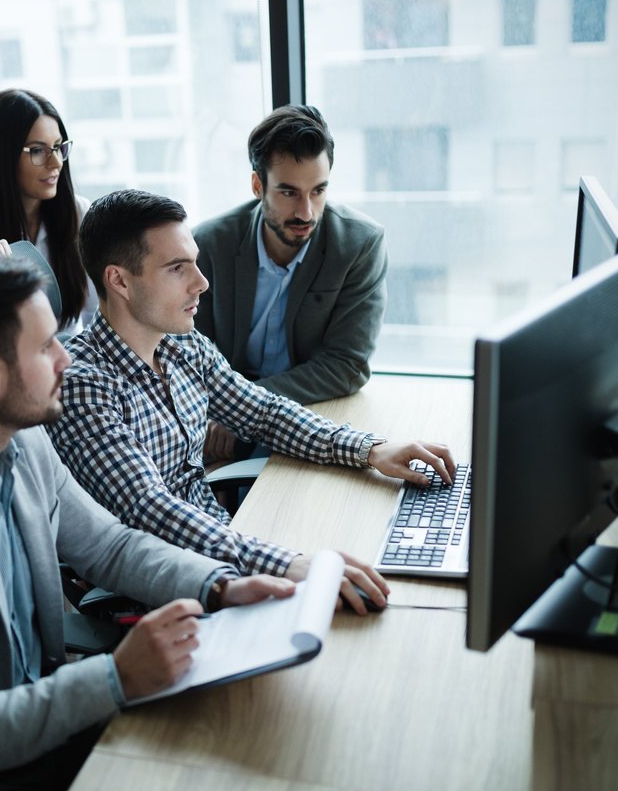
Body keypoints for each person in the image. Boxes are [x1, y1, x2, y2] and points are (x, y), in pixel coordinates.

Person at [0, 256, 293, 791]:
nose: (65, 359)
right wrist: (115, 678)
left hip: (38, 723)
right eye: (46, 346)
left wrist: (218, 585)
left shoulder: (19, 440)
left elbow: (108, 545)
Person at [48, 189, 454, 612]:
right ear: (119, 281)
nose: (201, 282)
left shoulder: (181, 346)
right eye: (176, 268)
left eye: (195, 261)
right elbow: (150, 511)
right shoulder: (84, 385)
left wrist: (372, 449)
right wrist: (287, 564)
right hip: (164, 591)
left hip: (223, 544)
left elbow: (264, 413)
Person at [193, 105, 387, 460]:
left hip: (310, 410)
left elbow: (348, 364)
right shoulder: (209, 244)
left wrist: (246, 408)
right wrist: (227, 410)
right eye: (289, 193)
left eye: (318, 191)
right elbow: (188, 355)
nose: (306, 212)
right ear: (257, 185)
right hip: (217, 419)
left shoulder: (359, 245)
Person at [0, 88, 98, 332]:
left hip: (76, 360)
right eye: (38, 150)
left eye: (58, 147)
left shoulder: (79, 214)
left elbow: (95, 315)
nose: (56, 163)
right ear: (1, 157)